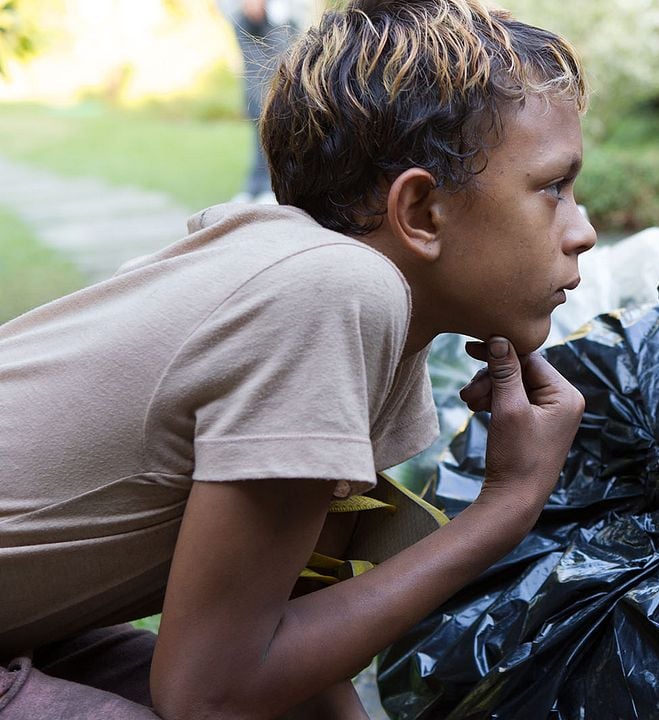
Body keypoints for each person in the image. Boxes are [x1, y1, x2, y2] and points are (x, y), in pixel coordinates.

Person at [0, 1, 597, 717]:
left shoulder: (355, 301)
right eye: (552, 188)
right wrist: (506, 508)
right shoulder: (335, 292)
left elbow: (284, 645)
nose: (584, 231)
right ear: (421, 213)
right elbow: (212, 694)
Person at [217, 0, 313, 204]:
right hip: (246, 12)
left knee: (276, 99)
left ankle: (272, 184)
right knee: (256, 102)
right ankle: (259, 183)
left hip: (280, 15)